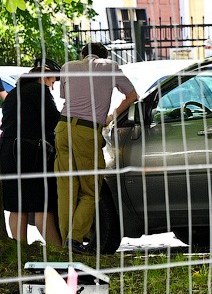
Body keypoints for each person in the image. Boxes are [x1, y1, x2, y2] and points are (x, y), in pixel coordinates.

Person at [55, 42, 137, 253]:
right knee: (91, 190)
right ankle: (74, 239)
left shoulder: (67, 67)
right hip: (87, 130)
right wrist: (111, 117)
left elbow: (66, 97)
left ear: (82, 54)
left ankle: (65, 243)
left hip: (63, 128)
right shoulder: (110, 66)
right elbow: (132, 95)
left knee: (66, 188)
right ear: (103, 55)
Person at [0, 60, 63, 247]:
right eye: (52, 82)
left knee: (17, 206)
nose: (52, 87)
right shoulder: (39, 91)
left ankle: (19, 249)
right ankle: (57, 250)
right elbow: (54, 120)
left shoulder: (14, 94)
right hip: (30, 151)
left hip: (8, 150)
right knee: (42, 203)